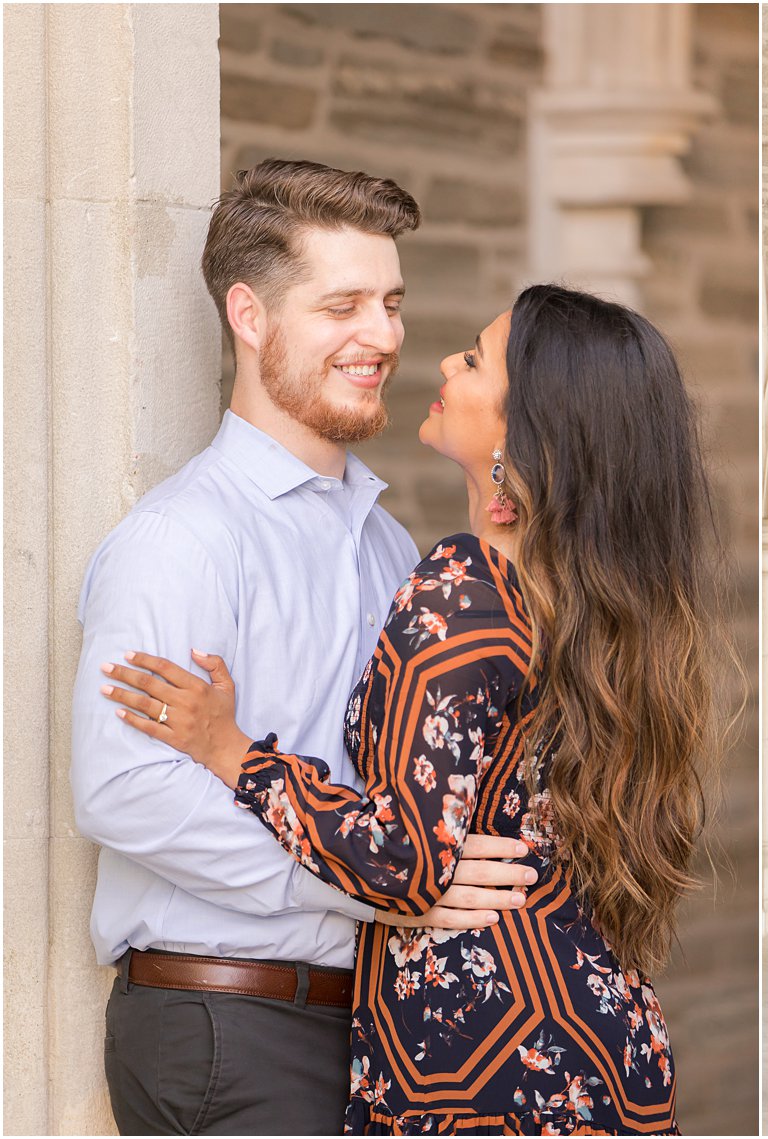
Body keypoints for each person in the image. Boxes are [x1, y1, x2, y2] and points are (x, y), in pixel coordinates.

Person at [102, 283, 726, 1134]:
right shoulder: (577, 604)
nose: (441, 362)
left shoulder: (463, 585)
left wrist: (233, 751)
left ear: (524, 432)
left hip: (480, 1046)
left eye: (474, 360)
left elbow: (404, 861)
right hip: (593, 1029)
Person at [73, 158, 535, 1136]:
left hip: (362, 1021)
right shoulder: (183, 539)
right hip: (228, 1021)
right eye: (343, 306)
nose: (384, 336)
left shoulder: (387, 545)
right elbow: (124, 789)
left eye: (391, 302)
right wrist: (378, 883)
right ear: (249, 315)